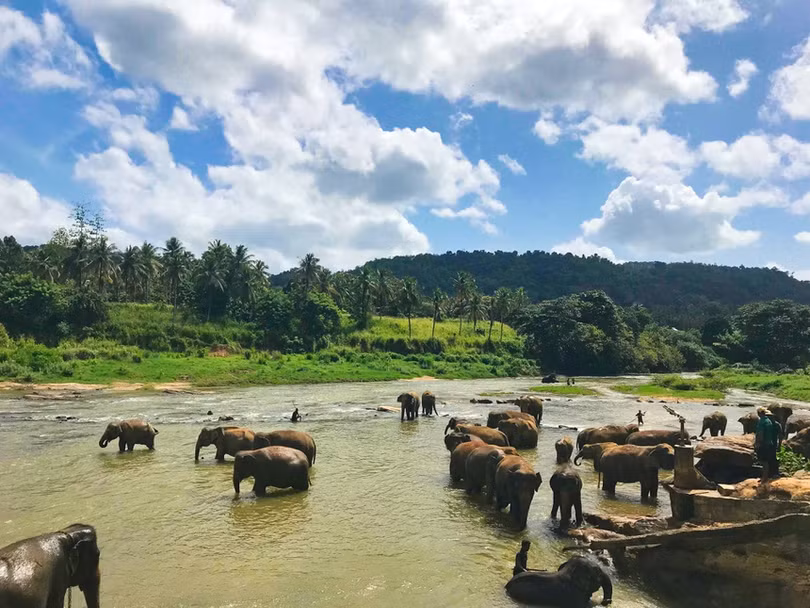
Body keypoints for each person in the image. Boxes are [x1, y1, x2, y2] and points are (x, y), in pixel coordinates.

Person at [755, 407, 782, 481]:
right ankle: (770, 475)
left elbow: (760, 434)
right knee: (769, 460)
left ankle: (767, 476)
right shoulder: (771, 423)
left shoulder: (765, 422)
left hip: (767, 444)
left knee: (766, 460)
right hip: (771, 444)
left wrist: (758, 443)